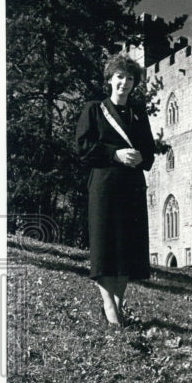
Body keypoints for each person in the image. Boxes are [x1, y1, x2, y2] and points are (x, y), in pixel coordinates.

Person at [75, 54, 155, 326]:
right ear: (110, 79)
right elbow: (84, 149)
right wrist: (116, 154)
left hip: (131, 187)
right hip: (104, 186)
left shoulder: (138, 113)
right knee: (105, 246)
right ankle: (109, 307)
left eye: (130, 78)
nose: (124, 83)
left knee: (127, 250)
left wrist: (139, 157)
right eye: (120, 77)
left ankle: (117, 307)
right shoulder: (95, 110)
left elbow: (149, 153)